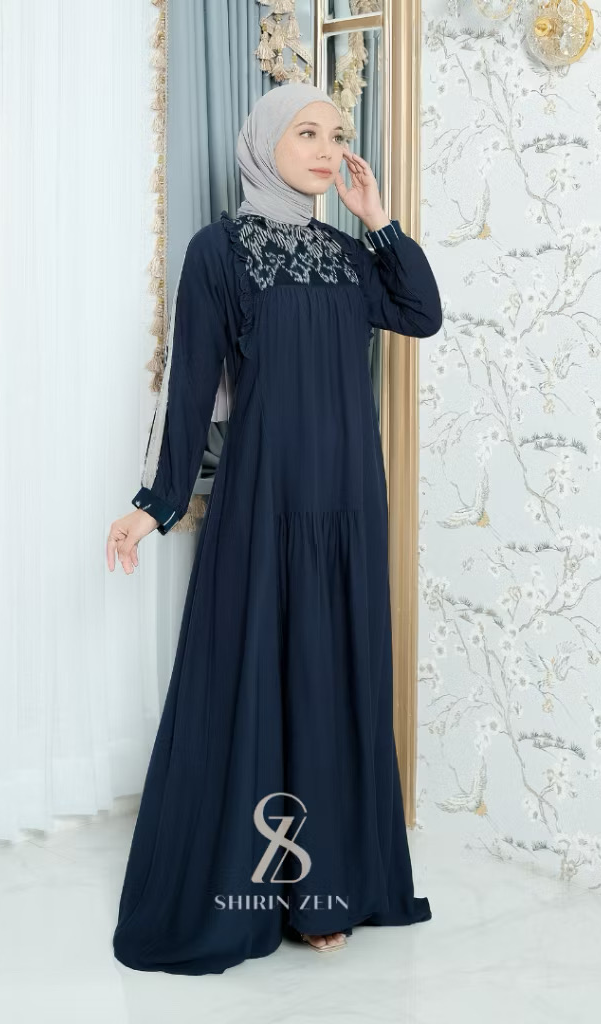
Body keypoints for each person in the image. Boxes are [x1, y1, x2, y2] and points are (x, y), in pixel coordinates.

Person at [105, 81, 442, 975]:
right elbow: (189, 389)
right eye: (307, 133)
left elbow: (422, 313)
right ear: (263, 144)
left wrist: (378, 220)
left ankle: (326, 891)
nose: (327, 150)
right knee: (261, 682)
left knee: (333, 682)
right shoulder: (219, 252)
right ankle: (261, 892)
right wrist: (155, 503)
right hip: (264, 501)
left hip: (349, 504)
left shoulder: (348, 254)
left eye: (337, 135)